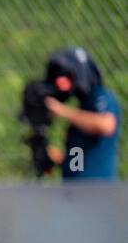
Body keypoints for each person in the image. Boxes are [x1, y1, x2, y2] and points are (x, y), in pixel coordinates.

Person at [42, 47, 119, 181]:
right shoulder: (82, 108)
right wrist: (57, 159)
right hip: (75, 192)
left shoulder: (101, 96)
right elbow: (78, 163)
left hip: (97, 191)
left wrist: (61, 110)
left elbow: (106, 125)